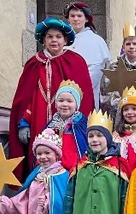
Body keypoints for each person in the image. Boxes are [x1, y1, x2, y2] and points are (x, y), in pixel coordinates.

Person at [9, 19, 94, 176]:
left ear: (65, 40)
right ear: (43, 40)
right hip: (38, 121)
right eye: (49, 37)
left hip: (70, 126)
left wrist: (80, 123)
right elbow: (27, 95)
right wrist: (24, 121)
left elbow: (86, 98)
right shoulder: (34, 63)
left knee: (68, 159)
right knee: (40, 157)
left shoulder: (76, 62)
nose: (54, 40)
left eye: (58, 36)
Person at [64, 2, 111, 110]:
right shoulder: (62, 40)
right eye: (72, 16)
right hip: (62, 93)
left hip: (85, 92)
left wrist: (75, 90)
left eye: (79, 16)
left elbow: (95, 71)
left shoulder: (96, 41)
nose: (76, 19)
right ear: (68, 19)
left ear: (86, 19)